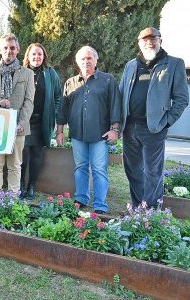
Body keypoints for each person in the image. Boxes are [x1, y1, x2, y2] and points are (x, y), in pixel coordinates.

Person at [119, 27, 189, 208]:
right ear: (139, 43)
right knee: (133, 170)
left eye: (153, 39)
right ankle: (137, 208)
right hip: (130, 126)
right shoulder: (130, 65)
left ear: (160, 41)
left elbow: (181, 98)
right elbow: (121, 94)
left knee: (153, 171)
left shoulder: (174, 64)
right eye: (145, 39)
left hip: (154, 127)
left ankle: (149, 210)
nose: (149, 42)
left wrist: (167, 121)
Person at [56, 46, 121, 214]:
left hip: (100, 135)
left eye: (89, 58)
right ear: (77, 62)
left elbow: (115, 106)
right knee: (80, 167)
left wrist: (115, 129)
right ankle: (81, 198)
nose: (86, 62)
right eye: (82, 59)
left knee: (99, 169)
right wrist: (60, 132)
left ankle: (100, 205)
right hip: (78, 134)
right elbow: (62, 109)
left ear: (96, 60)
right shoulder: (70, 82)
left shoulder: (107, 80)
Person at [0, 33, 35, 193]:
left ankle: (12, 199)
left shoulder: (27, 74)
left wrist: (22, 123)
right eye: (5, 47)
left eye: (12, 48)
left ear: (17, 50)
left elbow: (29, 102)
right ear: (0, 49)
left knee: (15, 165)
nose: (8, 51)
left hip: (18, 127)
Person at [20, 43, 62, 199]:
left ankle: (32, 185)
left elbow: (58, 96)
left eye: (40, 54)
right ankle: (20, 186)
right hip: (24, 121)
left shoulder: (50, 74)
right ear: (28, 56)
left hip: (42, 120)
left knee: (37, 153)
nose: (36, 57)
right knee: (23, 152)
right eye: (33, 54)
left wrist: (54, 111)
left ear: (44, 56)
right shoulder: (22, 72)